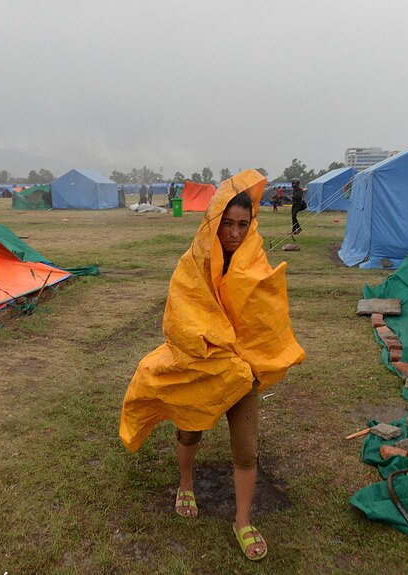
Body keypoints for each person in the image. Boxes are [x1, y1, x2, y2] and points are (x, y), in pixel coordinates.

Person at [119, 170, 305, 561]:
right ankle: (185, 483)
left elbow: (266, 320)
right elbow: (182, 319)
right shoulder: (192, 265)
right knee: (190, 433)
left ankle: (242, 521)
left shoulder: (256, 264)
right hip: (203, 370)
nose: (235, 233)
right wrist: (218, 352)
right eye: (228, 224)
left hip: (244, 375)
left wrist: (248, 363)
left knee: (246, 449)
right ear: (214, 222)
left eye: (243, 224)